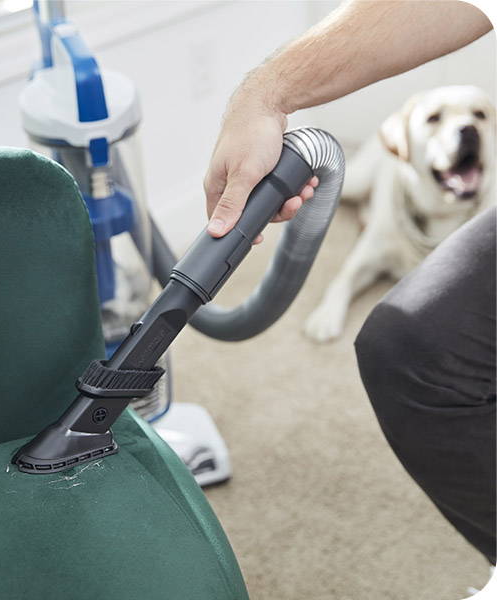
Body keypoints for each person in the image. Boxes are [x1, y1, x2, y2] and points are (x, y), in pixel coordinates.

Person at [204, 0, 496, 566]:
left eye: (478, 118)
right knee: (407, 345)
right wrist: (262, 96)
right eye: (436, 121)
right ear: (404, 143)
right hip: (393, 206)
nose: (463, 128)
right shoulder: (395, 170)